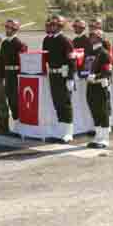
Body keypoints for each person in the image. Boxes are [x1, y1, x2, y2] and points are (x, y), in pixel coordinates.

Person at [42, 14, 76, 143]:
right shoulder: (47, 40)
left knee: (65, 104)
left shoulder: (65, 41)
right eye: (50, 24)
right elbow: (44, 58)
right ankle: (61, 130)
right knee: (57, 103)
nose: (51, 26)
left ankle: (68, 132)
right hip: (53, 75)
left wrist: (70, 78)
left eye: (54, 25)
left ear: (60, 26)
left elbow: (71, 60)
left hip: (63, 76)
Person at [85, 30, 113, 149]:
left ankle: (105, 139)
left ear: (100, 39)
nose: (91, 39)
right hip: (91, 86)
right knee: (95, 112)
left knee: (102, 112)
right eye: (90, 37)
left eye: (94, 37)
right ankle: (98, 136)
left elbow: (107, 72)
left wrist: (95, 76)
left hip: (100, 86)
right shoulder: (92, 52)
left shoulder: (104, 53)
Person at [0, 19, 27, 128]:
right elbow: (2, 61)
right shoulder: (5, 43)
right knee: (10, 99)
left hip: (17, 74)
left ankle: (22, 123)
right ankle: (16, 123)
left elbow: (24, 61)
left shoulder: (20, 44)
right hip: (8, 74)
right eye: (6, 27)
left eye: (9, 28)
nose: (7, 30)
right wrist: (2, 76)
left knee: (17, 100)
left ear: (15, 29)